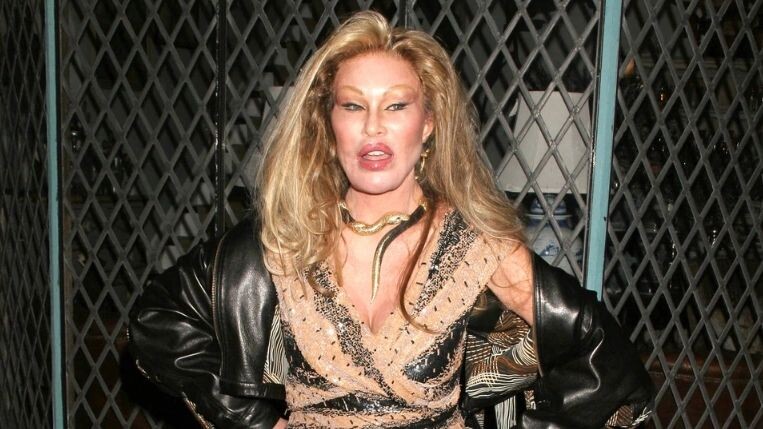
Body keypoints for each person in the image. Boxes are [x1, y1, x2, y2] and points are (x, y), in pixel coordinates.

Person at [129, 11, 653, 429]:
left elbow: (605, 361)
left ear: (428, 123)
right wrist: (255, 422)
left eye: (397, 106)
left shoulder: (473, 246)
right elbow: (158, 321)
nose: (373, 127)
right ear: (328, 123)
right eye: (353, 106)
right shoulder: (285, 241)